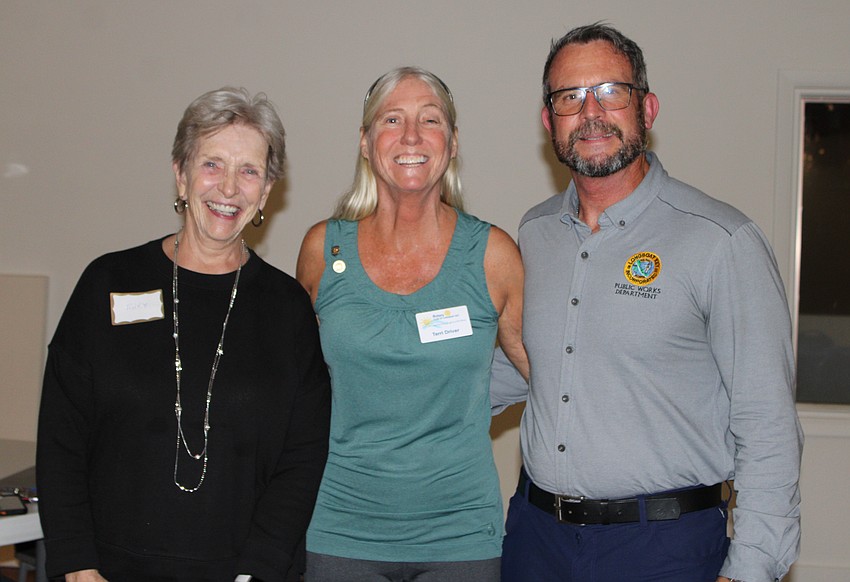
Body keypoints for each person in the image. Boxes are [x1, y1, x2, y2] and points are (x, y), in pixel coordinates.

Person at [491, 23, 803, 582]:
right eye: (570, 97)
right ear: (549, 121)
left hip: (665, 549)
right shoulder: (534, 233)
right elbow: (526, 365)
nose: (590, 112)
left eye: (610, 91)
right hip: (536, 542)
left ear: (647, 108)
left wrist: (752, 569)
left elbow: (768, 425)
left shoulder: (721, 240)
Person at [36, 87, 331, 582]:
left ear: (267, 190)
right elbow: (61, 440)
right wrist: (77, 566)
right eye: (212, 164)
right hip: (106, 572)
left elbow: (301, 460)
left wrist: (257, 572)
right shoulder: (107, 283)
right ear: (181, 172)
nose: (229, 188)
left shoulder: (287, 310)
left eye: (250, 171)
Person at [296, 66, 528, 581]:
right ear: (364, 140)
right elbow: (292, 388)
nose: (411, 137)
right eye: (391, 119)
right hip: (339, 523)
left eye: (430, 120)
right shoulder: (321, 250)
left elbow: (547, 375)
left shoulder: (492, 255)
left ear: (452, 141)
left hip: (460, 533)